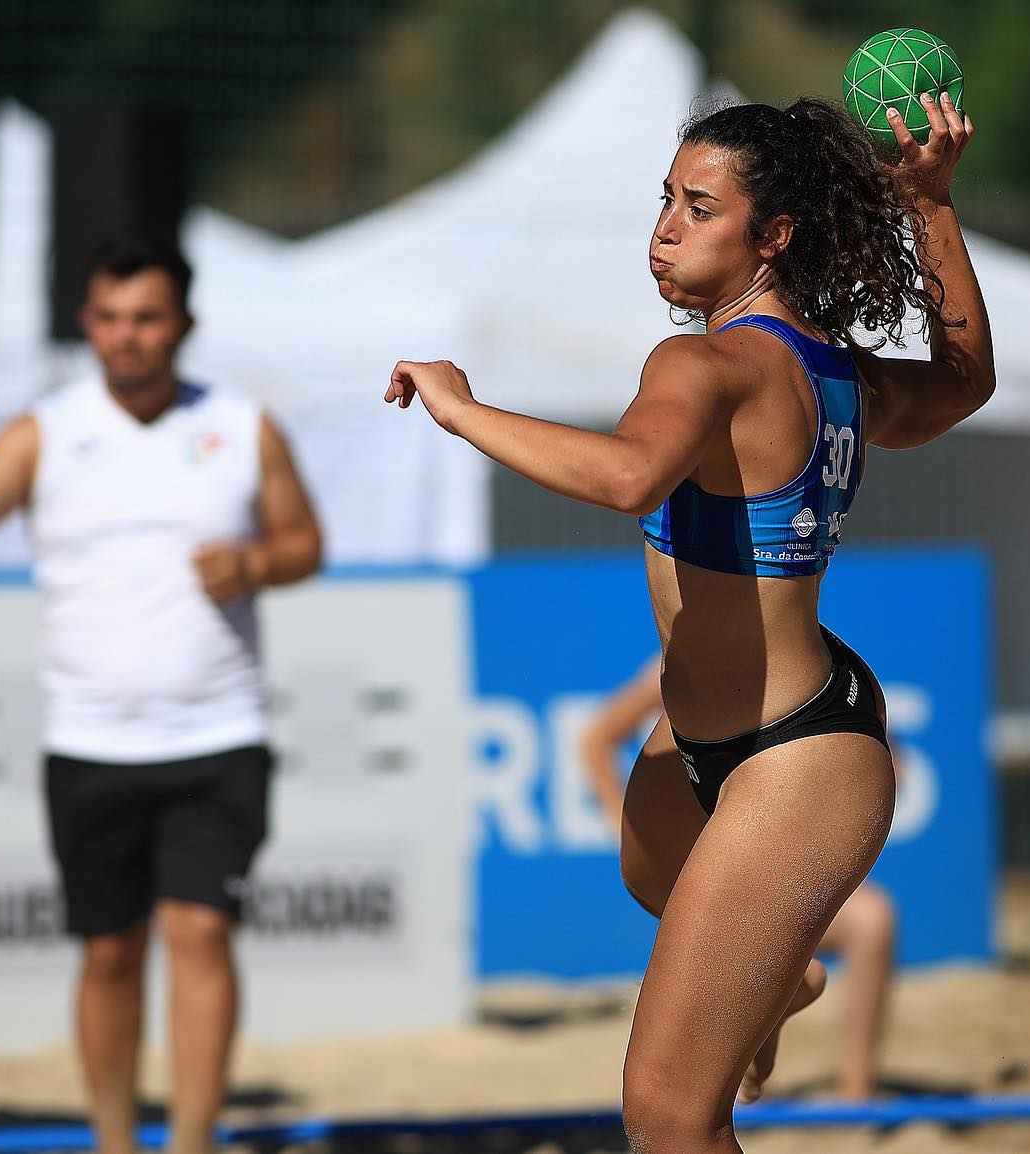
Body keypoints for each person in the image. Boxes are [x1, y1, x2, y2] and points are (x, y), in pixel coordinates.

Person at [386, 90, 989, 1153]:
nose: (665, 226)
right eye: (664, 198)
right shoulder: (830, 366)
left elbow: (628, 476)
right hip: (731, 730)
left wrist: (463, 405)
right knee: (647, 865)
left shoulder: (705, 362)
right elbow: (962, 381)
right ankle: (782, 975)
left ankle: (771, 978)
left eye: (698, 207)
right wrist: (931, 206)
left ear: (774, 237)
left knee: (667, 1112)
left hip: (797, 756)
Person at [0, 237, 322, 1154]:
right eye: (110, 318)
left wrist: (252, 564)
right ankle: (114, 1140)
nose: (128, 337)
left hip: (217, 731)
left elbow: (304, 542)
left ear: (184, 325)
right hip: (89, 740)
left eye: (147, 318)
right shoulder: (46, 430)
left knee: (200, 934)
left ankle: (194, 1139)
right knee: (110, 950)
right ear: (86, 324)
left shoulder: (242, 426)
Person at [580, 655, 896, 1100]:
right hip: (777, 698)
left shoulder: (707, 639)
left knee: (872, 920)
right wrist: (622, 822)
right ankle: (775, 996)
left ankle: (858, 1093)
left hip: (789, 717)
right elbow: (596, 740)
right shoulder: (681, 657)